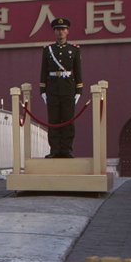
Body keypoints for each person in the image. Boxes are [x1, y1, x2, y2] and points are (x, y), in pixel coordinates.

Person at [38, 16, 83, 158]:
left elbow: (78, 71)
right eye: (57, 30)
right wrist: (43, 90)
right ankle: (55, 150)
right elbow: (43, 71)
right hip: (53, 88)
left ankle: (67, 150)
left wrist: (79, 90)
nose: (60, 32)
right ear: (54, 32)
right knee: (53, 121)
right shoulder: (48, 50)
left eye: (63, 29)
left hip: (68, 88)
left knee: (68, 121)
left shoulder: (74, 50)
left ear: (67, 31)